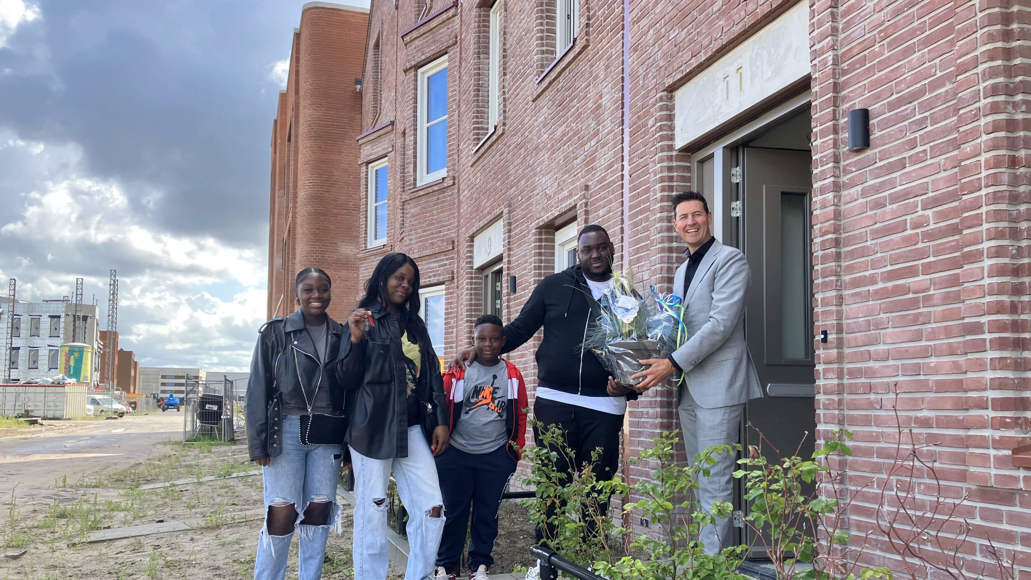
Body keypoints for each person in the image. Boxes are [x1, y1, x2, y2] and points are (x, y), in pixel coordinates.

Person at [457, 225, 636, 550]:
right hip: (555, 402)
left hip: (605, 406)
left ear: (611, 248)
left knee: (598, 490)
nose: (595, 255)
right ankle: (545, 561)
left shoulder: (627, 295)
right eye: (587, 249)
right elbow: (519, 328)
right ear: (578, 253)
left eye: (601, 247)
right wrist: (481, 350)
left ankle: (591, 560)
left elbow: (637, 352)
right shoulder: (554, 286)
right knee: (553, 486)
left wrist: (628, 386)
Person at [633, 191, 763, 555]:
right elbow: (681, 328)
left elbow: (720, 324)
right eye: (683, 217)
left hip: (719, 386)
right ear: (674, 224)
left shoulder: (730, 259)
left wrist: (672, 363)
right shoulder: (681, 271)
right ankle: (709, 560)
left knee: (716, 483)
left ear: (709, 216)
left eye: (697, 215)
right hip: (689, 387)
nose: (691, 222)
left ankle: (713, 568)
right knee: (701, 479)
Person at [341, 252, 450, 580]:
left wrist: (441, 419)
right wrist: (355, 340)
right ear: (382, 278)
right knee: (373, 510)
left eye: (410, 281)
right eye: (398, 278)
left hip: (412, 426)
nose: (405, 285)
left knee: (432, 508)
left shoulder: (415, 324)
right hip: (371, 428)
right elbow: (346, 379)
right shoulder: (363, 319)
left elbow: (431, 373)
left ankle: (419, 575)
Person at [246, 267, 348, 580]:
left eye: (323, 289)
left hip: (328, 432)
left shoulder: (341, 334)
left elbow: (350, 388)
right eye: (308, 289)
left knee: (319, 510)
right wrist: (258, 443)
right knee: (282, 512)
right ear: (297, 294)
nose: (316, 295)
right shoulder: (275, 333)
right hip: (286, 429)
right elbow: (258, 388)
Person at [434, 314, 528, 580]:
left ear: (503, 341)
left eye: (494, 339)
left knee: (487, 514)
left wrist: (514, 451)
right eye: (482, 339)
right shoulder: (458, 371)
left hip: (495, 455)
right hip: (457, 453)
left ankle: (480, 565)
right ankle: (446, 566)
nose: (488, 344)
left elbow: (521, 414)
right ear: (473, 340)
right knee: (454, 511)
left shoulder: (512, 375)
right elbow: (441, 407)